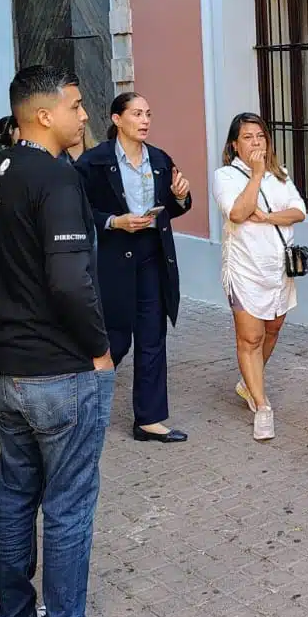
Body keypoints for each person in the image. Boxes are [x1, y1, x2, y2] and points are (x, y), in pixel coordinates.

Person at [0, 66, 140, 617]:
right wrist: (97, 348)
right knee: (68, 504)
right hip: (58, 371)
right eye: (74, 105)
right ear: (42, 114)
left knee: (16, 496)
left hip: (6, 367)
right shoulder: (57, 178)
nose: (85, 115)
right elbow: (70, 279)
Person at [77, 92, 194, 443]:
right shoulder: (92, 162)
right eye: (137, 114)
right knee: (114, 339)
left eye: (148, 114)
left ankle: (150, 419)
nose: (144, 120)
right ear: (117, 119)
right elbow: (79, 212)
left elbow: (173, 208)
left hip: (152, 256)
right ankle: (83, 413)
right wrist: (114, 221)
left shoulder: (159, 159)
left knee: (152, 338)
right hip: (113, 259)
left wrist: (179, 197)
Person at [211, 112, 306, 442]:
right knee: (250, 338)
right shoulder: (225, 176)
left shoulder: (280, 176)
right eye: (248, 137)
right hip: (245, 269)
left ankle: (248, 381)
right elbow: (237, 212)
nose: (256, 142)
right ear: (235, 144)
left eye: (260, 136)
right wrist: (255, 175)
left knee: (273, 328)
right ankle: (261, 405)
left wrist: (266, 217)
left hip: (278, 269)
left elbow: (299, 211)